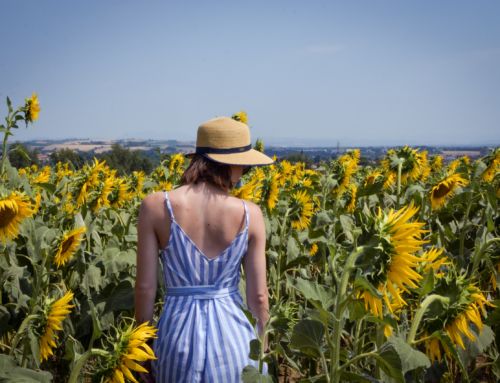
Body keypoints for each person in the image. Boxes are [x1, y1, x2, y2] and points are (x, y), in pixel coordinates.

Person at [135, 116, 273, 382]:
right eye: (243, 167)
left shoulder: (155, 206)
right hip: (235, 340)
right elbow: (259, 297)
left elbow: (144, 289)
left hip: (176, 337)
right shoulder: (250, 214)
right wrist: (263, 346)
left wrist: (141, 351)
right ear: (230, 165)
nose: (243, 175)